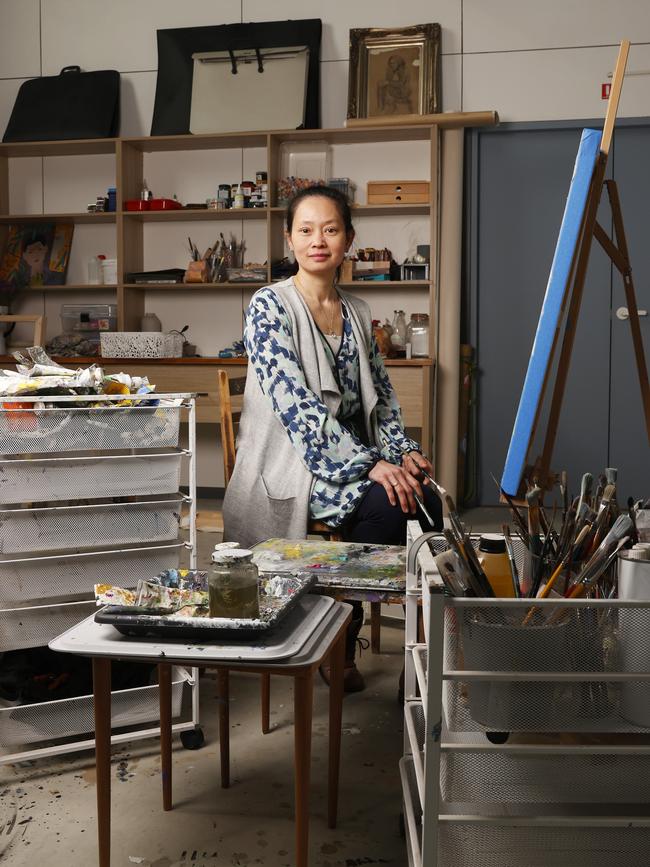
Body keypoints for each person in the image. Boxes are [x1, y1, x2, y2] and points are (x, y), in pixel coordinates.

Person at [223, 185, 442, 690]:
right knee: (389, 509)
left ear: (348, 239)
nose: (317, 240)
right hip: (293, 464)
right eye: (305, 230)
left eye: (330, 229)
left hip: (354, 459)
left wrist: (404, 452)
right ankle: (338, 635)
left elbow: (382, 399)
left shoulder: (358, 312)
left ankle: (425, 654)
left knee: (429, 501)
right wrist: (371, 466)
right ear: (289, 239)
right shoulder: (268, 307)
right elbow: (300, 412)